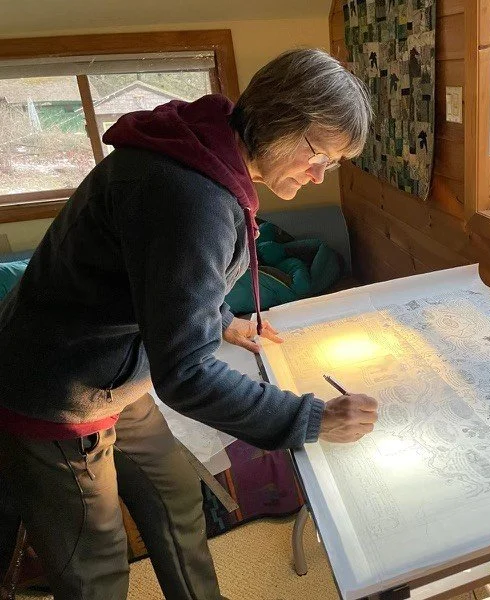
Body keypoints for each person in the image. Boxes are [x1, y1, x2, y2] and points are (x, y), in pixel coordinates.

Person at [0, 48, 376, 599]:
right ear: (276, 119)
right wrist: (311, 418)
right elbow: (188, 375)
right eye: (317, 153)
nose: (319, 175)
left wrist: (219, 319)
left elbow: (163, 271)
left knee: (175, 494)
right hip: (58, 391)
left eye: (333, 164)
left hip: (117, 375)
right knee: (95, 563)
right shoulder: (191, 195)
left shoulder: (207, 147)